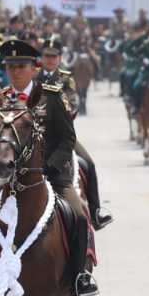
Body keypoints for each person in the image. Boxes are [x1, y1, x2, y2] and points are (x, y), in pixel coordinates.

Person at [0, 39, 99, 296]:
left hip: (51, 176)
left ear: (34, 68)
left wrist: (48, 167)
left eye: (21, 66)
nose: (15, 72)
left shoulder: (52, 97)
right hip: (9, 179)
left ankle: (79, 277)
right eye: (10, 67)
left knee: (78, 215)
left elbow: (67, 138)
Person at [37, 35, 111, 229]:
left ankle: (95, 212)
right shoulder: (32, 77)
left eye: (54, 56)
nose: (50, 60)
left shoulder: (65, 79)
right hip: (33, 134)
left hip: (60, 135)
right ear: (41, 57)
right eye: (47, 55)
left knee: (89, 164)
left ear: (60, 58)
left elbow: (70, 102)